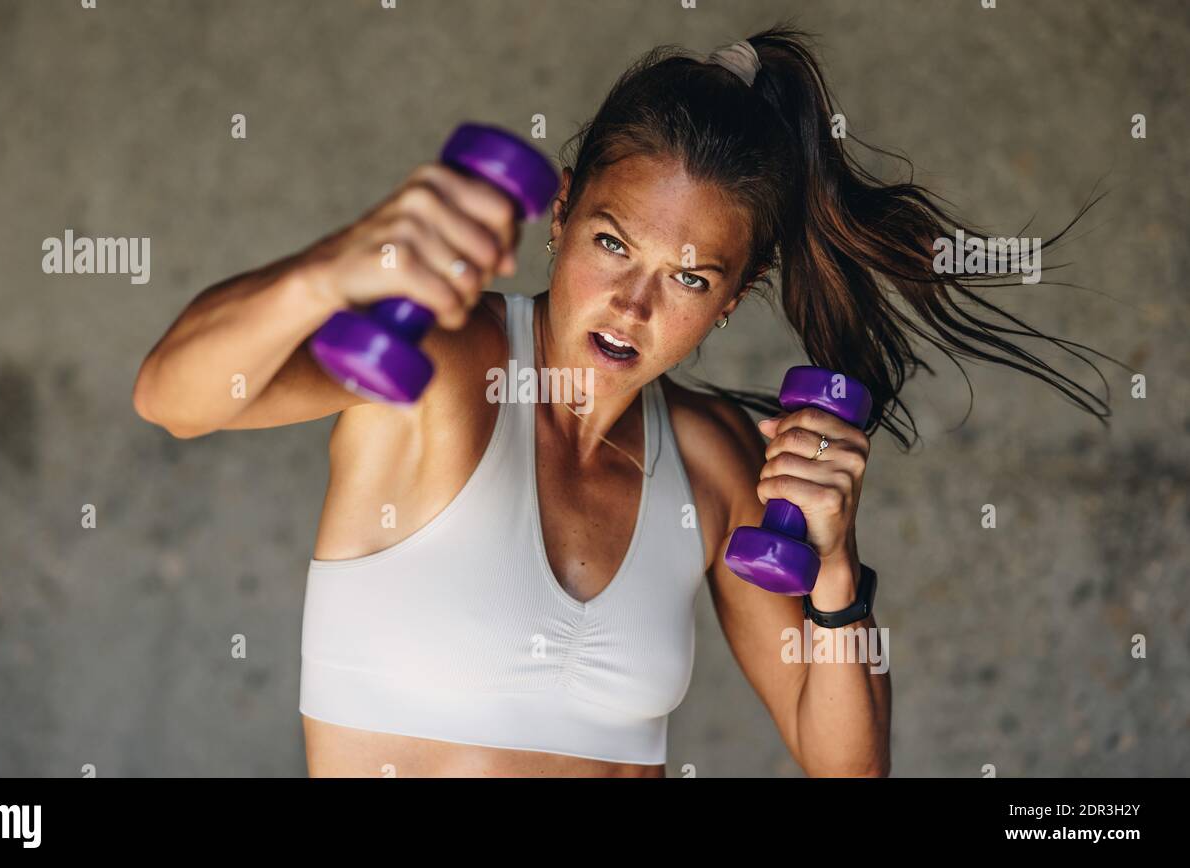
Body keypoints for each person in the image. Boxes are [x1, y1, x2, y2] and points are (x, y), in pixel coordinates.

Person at [132, 26, 1112, 777]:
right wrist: (332, 269)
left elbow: (843, 767)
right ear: (558, 216)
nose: (633, 303)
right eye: (613, 243)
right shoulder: (439, 357)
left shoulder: (716, 459)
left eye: (689, 279)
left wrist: (833, 570)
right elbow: (173, 398)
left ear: (732, 298)